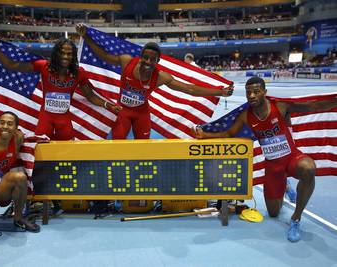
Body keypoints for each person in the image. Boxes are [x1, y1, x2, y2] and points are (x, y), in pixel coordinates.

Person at [191, 76, 337, 242]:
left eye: (256, 92)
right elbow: (228, 134)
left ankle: (296, 218)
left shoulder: (280, 107)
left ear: (264, 93)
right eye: (248, 93)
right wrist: (205, 136)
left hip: (291, 158)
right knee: (273, 213)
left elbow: (312, 106)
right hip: (273, 168)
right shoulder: (246, 116)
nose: (251, 95)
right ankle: (284, 184)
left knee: (308, 168)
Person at [76, 23, 234, 139]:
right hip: (122, 110)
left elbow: (190, 89)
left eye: (152, 60)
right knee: (118, 144)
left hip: (141, 113)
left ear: (157, 61)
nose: (147, 62)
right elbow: (104, 56)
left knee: (144, 147)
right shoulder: (127, 61)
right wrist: (85, 36)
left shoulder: (160, 77)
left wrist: (220, 91)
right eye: (145, 58)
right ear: (141, 57)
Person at [0, 35, 121, 141]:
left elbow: (90, 95)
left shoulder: (79, 73)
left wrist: (107, 105)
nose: (65, 57)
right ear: (56, 53)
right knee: (40, 148)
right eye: (62, 53)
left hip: (64, 120)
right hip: (46, 118)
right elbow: (12, 65)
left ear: (73, 56)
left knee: (67, 151)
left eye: (69, 54)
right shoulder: (44, 66)